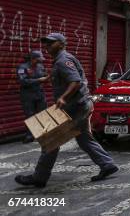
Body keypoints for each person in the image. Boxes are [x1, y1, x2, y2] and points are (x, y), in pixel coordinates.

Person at [15, 33, 118, 188]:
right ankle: (107, 164)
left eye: (51, 43)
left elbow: (75, 81)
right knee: (84, 139)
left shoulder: (63, 60)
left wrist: (63, 97)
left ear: (62, 44)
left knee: (50, 139)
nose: (47, 46)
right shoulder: (60, 61)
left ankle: (39, 177)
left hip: (74, 107)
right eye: (46, 43)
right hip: (80, 105)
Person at [16, 50, 49, 143]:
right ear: (33, 59)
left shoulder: (40, 66)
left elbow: (45, 75)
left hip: (40, 94)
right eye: (39, 59)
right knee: (30, 115)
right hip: (28, 95)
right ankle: (30, 135)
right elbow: (23, 81)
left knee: (43, 114)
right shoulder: (22, 67)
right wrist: (39, 80)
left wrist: (48, 77)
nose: (41, 61)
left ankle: (44, 133)